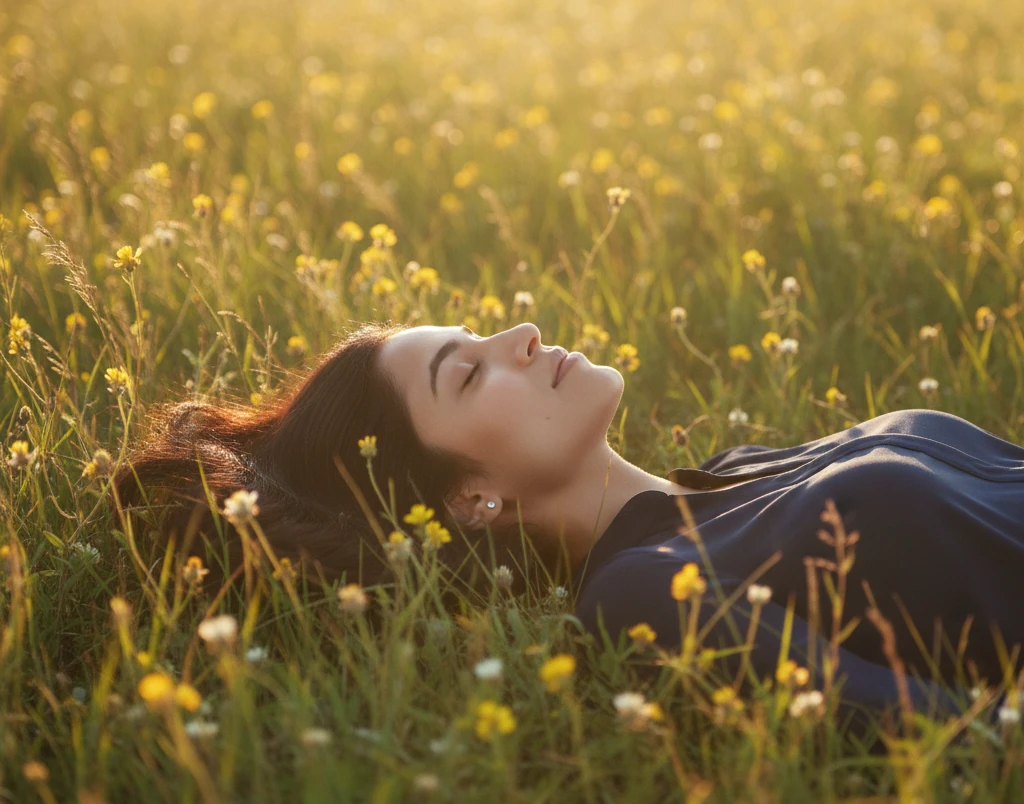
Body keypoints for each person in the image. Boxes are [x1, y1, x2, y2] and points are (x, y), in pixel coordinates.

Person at [115, 321, 1022, 740]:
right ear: (469, 498)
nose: (520, 334)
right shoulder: (643, 592)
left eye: (479, 334)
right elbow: (966, 733)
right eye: (465, 376)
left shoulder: (743, 465)